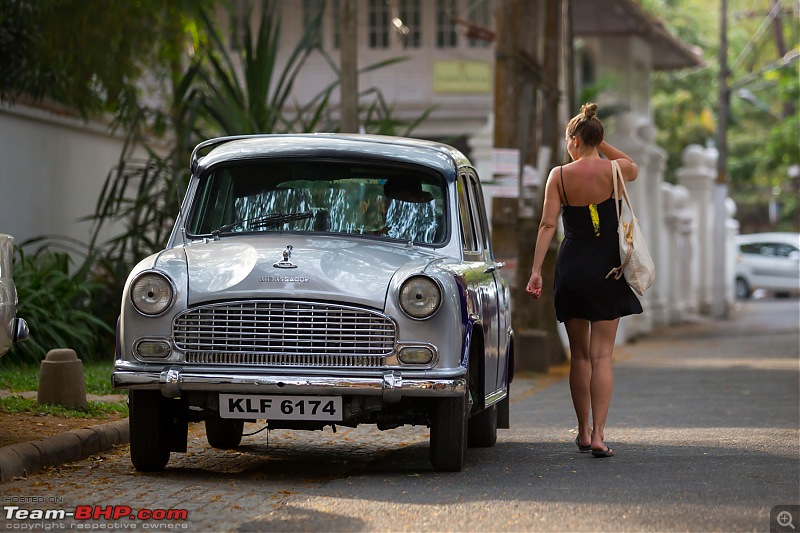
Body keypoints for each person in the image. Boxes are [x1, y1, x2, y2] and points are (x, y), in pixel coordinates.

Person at [526, 102, 643, 458]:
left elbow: (548, 225)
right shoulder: (615, 171)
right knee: (602, 355)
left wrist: (535, 271)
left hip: (573, 269)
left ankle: (582, 430)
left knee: (580, 357)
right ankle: (600, 436)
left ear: (575, 139)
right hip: (609, 269)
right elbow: (633, 165)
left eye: (568, 139)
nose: (567, 146)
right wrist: (600, 144)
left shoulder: (559, 176)